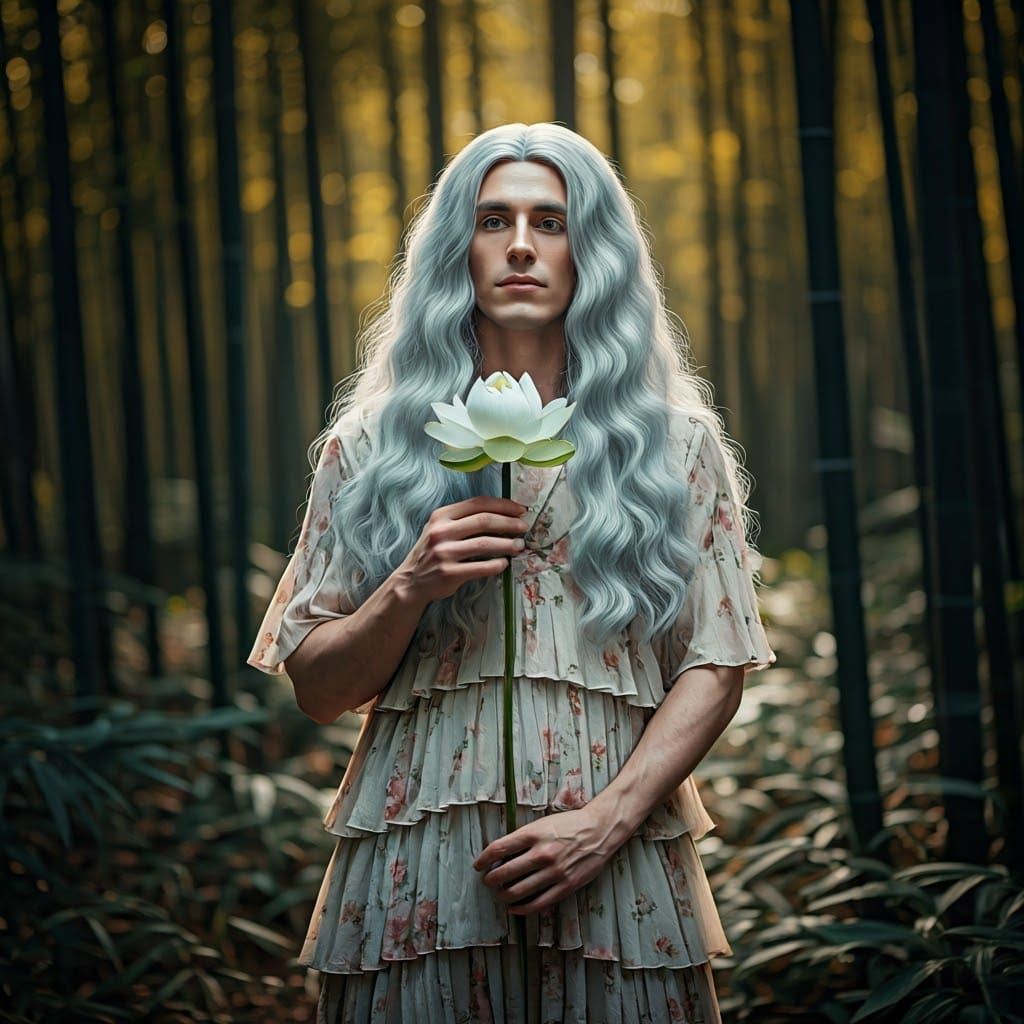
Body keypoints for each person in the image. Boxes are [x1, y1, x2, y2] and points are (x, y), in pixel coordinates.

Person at [248, 122, 776, 1023]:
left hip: (616, 851)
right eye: (494, 219)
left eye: (552, 221)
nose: (522, 245)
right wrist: (409, 584)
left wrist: (606, 822)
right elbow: (318, 689)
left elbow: (716, 661)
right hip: (422, 849)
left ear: (593, 251)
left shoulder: (670, 445)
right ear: (460, 245)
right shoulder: (371, 445)